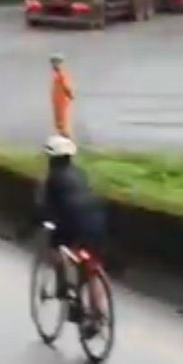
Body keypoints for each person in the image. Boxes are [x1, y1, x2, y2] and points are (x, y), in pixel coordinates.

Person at [35, 134, 109, 335]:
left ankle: (64, 287)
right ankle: (97, 314)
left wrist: (38, 222)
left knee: (56, 247)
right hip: (97, 219)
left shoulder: (52, 180)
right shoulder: (80, 173)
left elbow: (45, 209)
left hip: (72, 221)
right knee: (92, 266)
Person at [50, 53, 74, 139]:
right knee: (59, 124)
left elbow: (67, 87)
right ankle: (61, 141)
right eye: (53, 63)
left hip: (62, 103)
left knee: (63, 124)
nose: (53, 65)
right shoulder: (57, 75)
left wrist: (70, 94)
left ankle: (67, 141)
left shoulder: (62, 74)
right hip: (57, 103)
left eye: (56, 62)